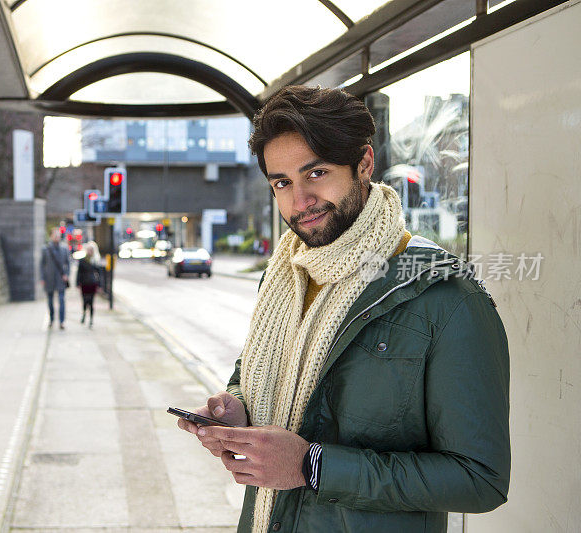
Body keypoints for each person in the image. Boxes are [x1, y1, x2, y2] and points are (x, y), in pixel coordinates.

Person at [177, 86, 510, 533]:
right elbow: (257, 376)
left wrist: (313, 466)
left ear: (365, 164)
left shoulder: (446, 297)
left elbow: (480, 479)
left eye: (315, 173)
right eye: (282, 182)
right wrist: (237, 408)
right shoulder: (285, 277)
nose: (299, 202)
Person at [40, 228, 70, 329]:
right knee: (50, 301)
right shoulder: (45, 249)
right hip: (49, 278)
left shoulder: (64, 249)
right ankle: (51, 319)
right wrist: (42, 278)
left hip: (61, 279)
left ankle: (62, 321)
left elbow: (68, 263)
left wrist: (67, 274)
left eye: (58, 235)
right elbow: (42, 264)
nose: (57, 237)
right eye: (55, 235)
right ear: (51, 236)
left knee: (61, 300)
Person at [76, 241, 102, 328]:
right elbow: (79, 272)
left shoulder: (95, 260)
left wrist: (99, 285)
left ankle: (91, 319)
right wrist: (77, 283)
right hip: (84, 283)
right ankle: (84, 314)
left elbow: (99, 274)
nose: (90, 252)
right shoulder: (82, 260)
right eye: (88, 250)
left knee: (91, 302)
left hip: (92, 283)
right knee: (84, 301)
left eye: (91, 250)